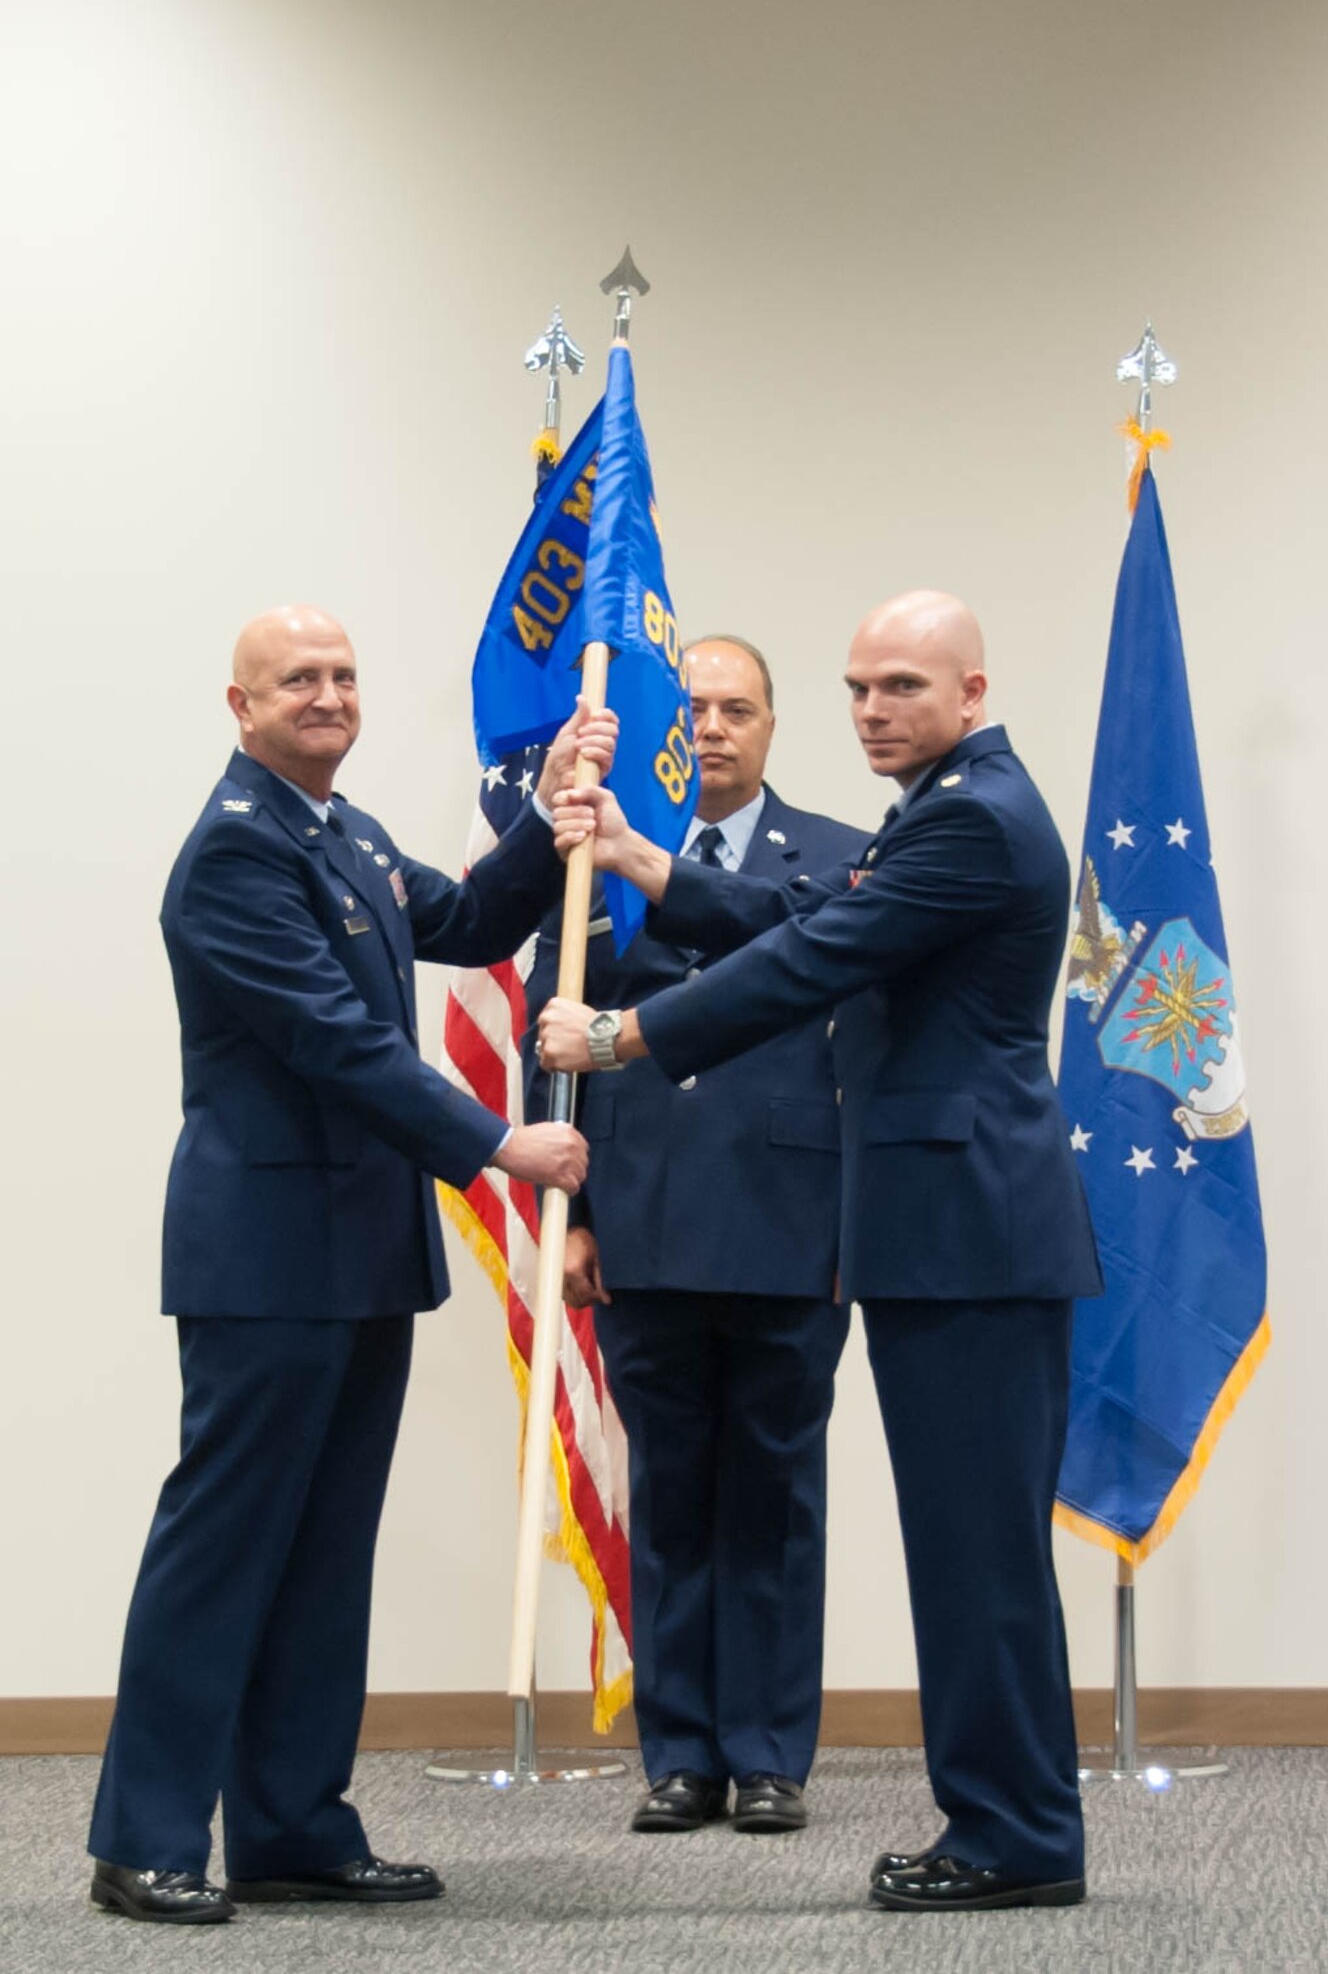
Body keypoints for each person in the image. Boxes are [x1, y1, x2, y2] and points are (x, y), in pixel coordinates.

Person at [538, 590, 1103, 1911]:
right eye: (857, 687)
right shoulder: (948, 807)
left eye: (901, 686)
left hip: (971, 1240)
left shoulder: (973, 816)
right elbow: (805, 925)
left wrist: (622, 1039)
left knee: (980, 1558)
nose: (870, 710)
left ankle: (1014, 1837)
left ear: (972, 691)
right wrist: (643, 860)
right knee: (971, 1552)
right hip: (947, 1238)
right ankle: (1009, 1822)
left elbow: (813, 964)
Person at [88, 605, 611, 1925]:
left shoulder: (348, 833)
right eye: (297, 680)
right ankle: (143, 1835)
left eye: (342, 675)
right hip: (265, 1256)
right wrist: (502, 1143)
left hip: (361, 1254)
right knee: (222, 1549)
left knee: (324, 1553)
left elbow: (476, 919)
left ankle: (291, 1827)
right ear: (241, 706)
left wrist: (549, 811)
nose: (327, 696)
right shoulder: (235, 855)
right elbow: (340, 1046)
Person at [527, 637, 864, 1835]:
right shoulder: (589, 868)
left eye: (737, 708)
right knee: (667, 1491)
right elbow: (548, 1014)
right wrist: (558, 1208)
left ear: (773, 725)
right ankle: (680, 1754)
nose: (713, 728)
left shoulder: (835, 856)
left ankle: (768, 1752)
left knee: (773, 1490)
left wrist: (644, 858)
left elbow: (787, 946)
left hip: (790, 1218)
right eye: (696, 711)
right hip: (640, 1212)